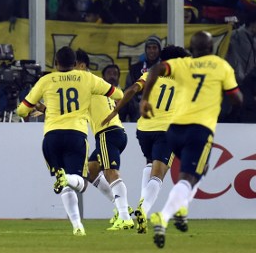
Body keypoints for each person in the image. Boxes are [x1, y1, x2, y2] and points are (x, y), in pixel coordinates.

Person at [142, 31, 242, 249]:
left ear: (192, 48)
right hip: (199, 130)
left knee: (200, 169)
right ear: (212, 47)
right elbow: (236, 97)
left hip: (174, 131)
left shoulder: (183, 64)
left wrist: (144, 99)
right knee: (188, 177)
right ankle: (165, 215)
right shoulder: (220, 65)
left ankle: (183, 208)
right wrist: (226, 101)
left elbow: (157, 69)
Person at [16, 46, 124, 236]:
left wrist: (43, 108)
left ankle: (77, 226)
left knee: (65, 185)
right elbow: (118, 94)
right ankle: (67, 183)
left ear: (55, 64)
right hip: (76, 136)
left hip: (52, 137)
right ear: (75, 64)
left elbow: (22, 110)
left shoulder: (46, 80)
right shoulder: (87, 78)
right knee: (80, 183)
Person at [104, 45, 190, 234]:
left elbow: (132, 90)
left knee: (150, 164)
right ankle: (143, 210)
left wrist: (114, 112)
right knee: (159, 174)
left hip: (144, 129)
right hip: (167, 130)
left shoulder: (151, 74)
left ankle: (141, 210)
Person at [75, 50, 133, 231]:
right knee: (91, 169)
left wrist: (46, 108)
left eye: (73, 66)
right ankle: (121, 207)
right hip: (114, 132)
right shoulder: (97, 83)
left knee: (111, 172)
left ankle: (124, 217)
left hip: (108, 133)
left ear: (82, 66)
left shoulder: (86, 83)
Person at [123, 35, 163, 121]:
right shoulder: (135, 69)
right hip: (138, 108)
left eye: (154, 48)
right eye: (149, 48)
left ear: (159, 50)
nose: (151, 51)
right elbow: (129, 88)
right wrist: (138, 106)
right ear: (145, 50)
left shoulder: (164, 68)